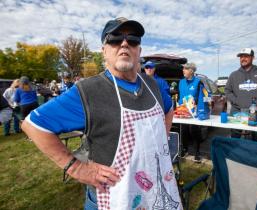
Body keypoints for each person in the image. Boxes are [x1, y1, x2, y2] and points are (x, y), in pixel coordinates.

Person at [21, 17, 182, 210]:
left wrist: (161, 138)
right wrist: (76, 167)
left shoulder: (152, 85)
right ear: (104, 50)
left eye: (133, 39)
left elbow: (168, 109)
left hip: (156, 186)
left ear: (139, 51)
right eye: (114, 38)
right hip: (115, 196)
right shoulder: (88, 91)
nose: (124, 44)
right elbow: (33, 126)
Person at [225, 48, 257, 141]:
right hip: (237, 112)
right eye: (241, 57)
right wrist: (237, 101)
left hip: (256, 112)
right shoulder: (233, 75)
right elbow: (227, 91)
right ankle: (235, 155)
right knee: (234, 139)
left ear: (253, 58)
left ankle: (254, 154)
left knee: (256, 140)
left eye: (246, 56)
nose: (243, 59)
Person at [178, 63, 202, 161]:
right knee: (184, 131)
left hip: (194, 112)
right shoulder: (181, 82)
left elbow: (201, 96)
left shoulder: (198, 82)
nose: (183, 70)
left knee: (194, 131)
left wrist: (197, 104)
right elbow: (180, 96)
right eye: (183, 69)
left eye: (185, 69)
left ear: (191, 71)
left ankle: (197, 152)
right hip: (183, 110)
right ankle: (184, 149)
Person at [144, 60, 173, 134]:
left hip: (158, 114)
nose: (149, 69)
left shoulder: (161, 82)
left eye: (151, 67)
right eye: (147, 67)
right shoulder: (139, 80)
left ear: (154, 69)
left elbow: (167, 99)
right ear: (144, 69)